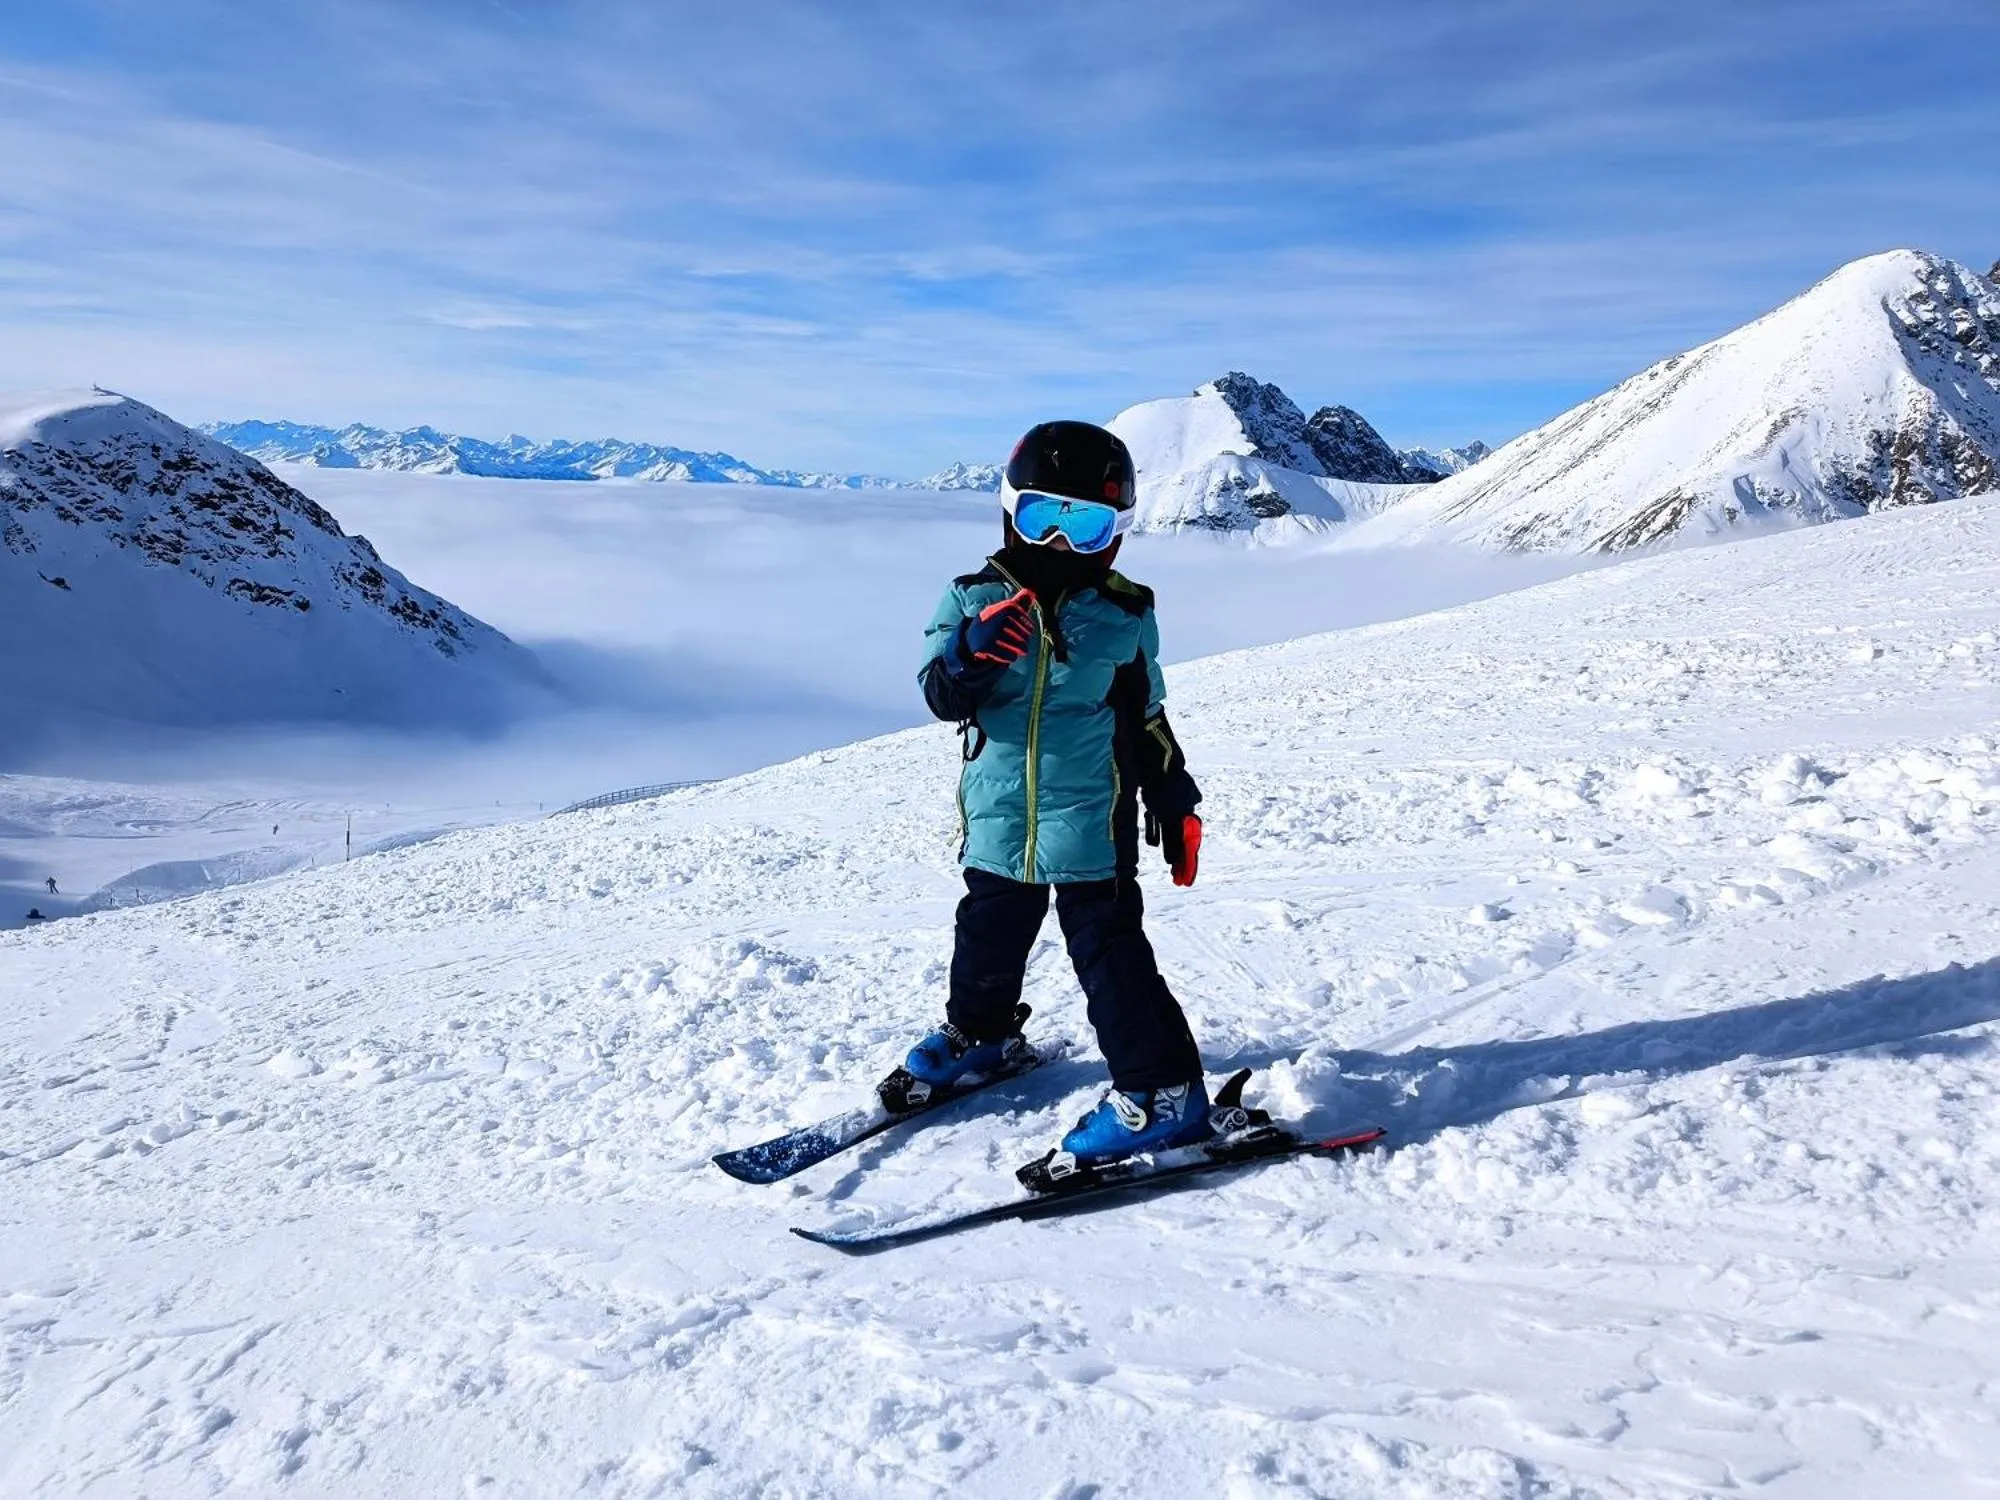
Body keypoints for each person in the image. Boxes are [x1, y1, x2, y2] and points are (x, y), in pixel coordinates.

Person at [899, 419, 1210, 1174]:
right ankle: (984, 1036)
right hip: (1000, 819)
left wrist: (1174, 798)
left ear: (1116, 533)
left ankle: (1165, 1091)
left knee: (1110, 956)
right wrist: (971, 656)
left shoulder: (1126, 613)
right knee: (986, 936)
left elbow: (1147, 715)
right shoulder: (971, 597)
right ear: (1011, 512)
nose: (1061, 545)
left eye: (1085, 524)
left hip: (1092, 825)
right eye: (1045, 518)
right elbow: (940, 693)